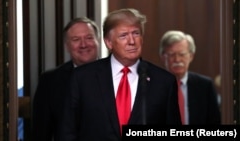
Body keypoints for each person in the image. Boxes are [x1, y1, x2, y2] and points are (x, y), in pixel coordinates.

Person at [59, 8, 181, 141]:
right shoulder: (82, 78)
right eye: (123, 36)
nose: (132, 41)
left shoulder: (164, 81)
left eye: (136, 33)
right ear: (109, 42)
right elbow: (67, 132)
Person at [32, 17, 100, 141]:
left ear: (98, 41)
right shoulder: (50, 81)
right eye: (76, 39)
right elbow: (40, 132)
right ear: (67, 46)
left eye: (89, 38)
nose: (83, 44)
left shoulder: (117, 74)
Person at [159, 30, 221, 125]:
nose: (177, 59)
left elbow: (215, 121)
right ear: (163, 57)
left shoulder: (205, 86)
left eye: (182, 54)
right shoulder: (151, 86)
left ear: (191, 56)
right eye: (171, 54)